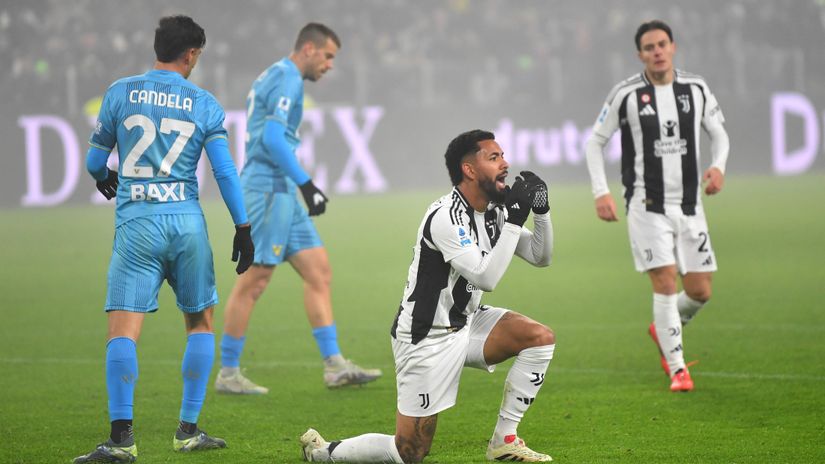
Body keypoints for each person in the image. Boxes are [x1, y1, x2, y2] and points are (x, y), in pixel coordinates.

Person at [300, 129, 557, 463]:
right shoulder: (445, 217)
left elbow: (541, 256)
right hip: (426, 336)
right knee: (410, 452)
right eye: (494, 157)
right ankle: (324, 453)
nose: (505, 164)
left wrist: (542, 211)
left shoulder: (495, 211)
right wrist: (516, 219)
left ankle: (504, 441)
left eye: (503, 156)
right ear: (469, 170)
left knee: (539, 338)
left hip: (467, 323)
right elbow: (486, 276)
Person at [73, 15, 255, 463]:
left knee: (123, 333)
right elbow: (225, 171)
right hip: (187, 223)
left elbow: (95, 162)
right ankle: (188, 431)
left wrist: (106, 177)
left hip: (137, 224)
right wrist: (243, 227)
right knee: (199, 323)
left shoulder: (119, 92)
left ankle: (121, 441)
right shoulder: (204, 103)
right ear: (191, 53)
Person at [214, 22, 380, 394]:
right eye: (328, 56)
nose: (330, 65)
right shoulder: (288, 79)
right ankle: (227, 373)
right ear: (309, 48)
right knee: (254, 281)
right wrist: (306, 184)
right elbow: (273, 139)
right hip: (270, 190)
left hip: (282, 191)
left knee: (318, 271)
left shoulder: (274, 74)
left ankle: (334, 365)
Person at [584, 20, 730, 392]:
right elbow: (594, 142)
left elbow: (719, 134)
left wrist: (718, 166)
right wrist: (601, 192)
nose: (657, 52)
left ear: (673, 47)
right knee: (665, 283)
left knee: (700, 292)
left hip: (690, 205)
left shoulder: (695, 89)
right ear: (640, 55)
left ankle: (663, 329)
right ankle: (678, 369)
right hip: (647, 206)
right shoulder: (626, 94)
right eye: (649, 48)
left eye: (662, 44)